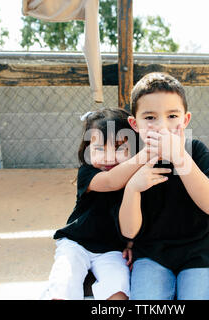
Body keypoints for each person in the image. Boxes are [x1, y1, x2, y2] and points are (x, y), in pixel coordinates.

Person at [118, 72, 209, 300]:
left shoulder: (195, 150)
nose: (161, 126)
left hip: (198, 250)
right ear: (134, 123)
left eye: (172, 116)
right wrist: (133, 189)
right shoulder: (131, 160)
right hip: (150, 253)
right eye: (149, 118)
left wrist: (180, 157)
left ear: (185, 120)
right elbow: (128, 231)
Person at [41, 107, 165, 300]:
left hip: (112, 250)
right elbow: (112, 182)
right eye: (99, 149)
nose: (108, 157)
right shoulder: (88, 173)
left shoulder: (139, 178)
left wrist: (131, 244)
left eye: (119, 148)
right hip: (76, 243)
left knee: (119, 291)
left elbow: (140, 216)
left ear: (134, 148)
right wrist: (149, 153)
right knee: (64, 283)